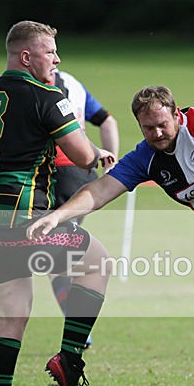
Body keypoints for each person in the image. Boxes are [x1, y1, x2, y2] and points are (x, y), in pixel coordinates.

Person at [27, 85, 194, 386]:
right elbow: (100, 190)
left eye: (162, 124)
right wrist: (58, 215)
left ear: (176, 114)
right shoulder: (146, 158)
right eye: (148, 128)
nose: (157, 133)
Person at [0, 20, 115, 386]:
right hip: (22, 224)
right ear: (27, 56)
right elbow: (80, 155)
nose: (57, 59)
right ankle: (71, 358)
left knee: (13, 312)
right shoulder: (49, 95)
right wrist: (100, 155)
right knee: (99, 261)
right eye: (50, 52)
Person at [46, 69, 119, 341]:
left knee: (55, 256)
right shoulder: (74, 82)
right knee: (60, 253)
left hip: (54, 173)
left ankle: (77, 327)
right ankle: (77, 328)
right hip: (82, 174)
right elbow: (107, 121)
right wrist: (112, 162)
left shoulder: (38, 83)